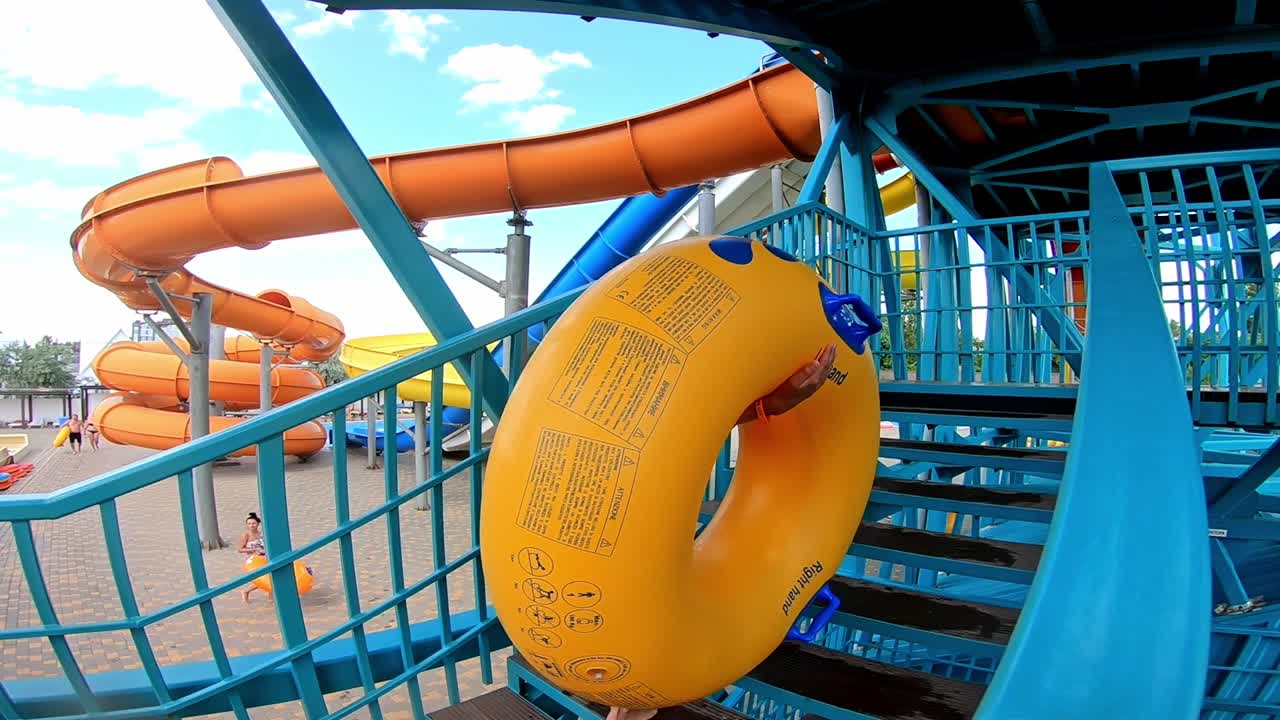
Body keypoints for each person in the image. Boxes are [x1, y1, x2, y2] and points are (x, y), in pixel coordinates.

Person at [606, 342, 839, 720]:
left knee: (642, 642)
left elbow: (688, 420)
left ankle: (631, 703)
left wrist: (770, 405)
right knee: (644, 636)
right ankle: (632, 702)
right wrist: (771, 405)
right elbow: (686, 423)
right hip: (624, 527)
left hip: (630, 531)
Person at [238, 512, 266, 603]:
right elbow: (240, 549)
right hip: (253, 560)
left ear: (258, 523)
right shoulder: (246, 535)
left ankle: (272, 597)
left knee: (270, 577)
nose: (251, 525)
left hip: (264, 557)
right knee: (262, 578)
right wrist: (253, 549)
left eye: (253, 523)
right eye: (249, 524)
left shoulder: (262, 534)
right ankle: (246, 591)